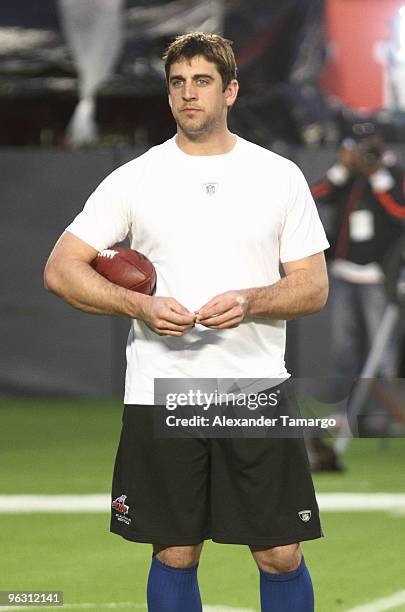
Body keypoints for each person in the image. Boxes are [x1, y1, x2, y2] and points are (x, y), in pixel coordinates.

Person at [44, 32, 329, 612]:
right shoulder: (136, 177)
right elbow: (61, 269)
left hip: (252, 388)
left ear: (230, 91)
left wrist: (253, 300)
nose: (187, 94)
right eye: (177, 82)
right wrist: (140, 306)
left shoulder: (278, 175)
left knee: (281, 553)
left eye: (202, 81)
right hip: (161, 392)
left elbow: (313, 286)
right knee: (174, 551)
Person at [311, 124, 405, 383]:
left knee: (382, 351)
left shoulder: (394, 175)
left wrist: (376, 176)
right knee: (344, 350)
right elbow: (313, 196)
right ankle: (345, 411)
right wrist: (342, 168)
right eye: (358, 144)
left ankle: (383, 416)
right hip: (344, 275)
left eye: (369, 144)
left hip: (378, 278)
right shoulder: (347, 177)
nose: (364, 151)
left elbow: (400, 213)